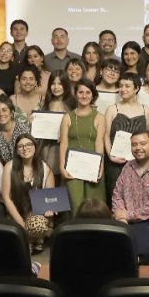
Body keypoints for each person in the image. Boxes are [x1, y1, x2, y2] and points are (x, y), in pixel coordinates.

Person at [2, 133, 56, 253]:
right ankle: (27, 239)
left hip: (36, 214)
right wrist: (22, 224)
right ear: (16, 150)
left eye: (28, 144)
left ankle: (35, 238)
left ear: (35, 147)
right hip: (15, 213)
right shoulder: (9, 167)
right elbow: (6, 198)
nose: (25, 148)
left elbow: (50, 198)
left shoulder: (45, 168)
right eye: (20, 146)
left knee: (39, 224)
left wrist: (49, 208)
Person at [59, 79, 107, 212]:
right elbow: (63, 144)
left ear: (93, 95)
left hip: (93, 167)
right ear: (75, 94)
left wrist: (100, 168)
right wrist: (62, 168)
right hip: (72, 168)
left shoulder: (100, 118)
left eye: (88, 92)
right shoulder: (67, 117)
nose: (84, 96)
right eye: (81, 92)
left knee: (95, 206)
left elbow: (99, 144)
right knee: (76, 203)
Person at [104, 72, 149, 203]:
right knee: (115, 198)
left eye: (127, 86)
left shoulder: (145, 110)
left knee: (137, 199)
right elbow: (106, 136)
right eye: (120, 86)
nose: (123, 89)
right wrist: (110, 156)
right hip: (115, 163)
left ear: (136, 88)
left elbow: (147, 138)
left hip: (138, 163)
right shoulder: (112, 109)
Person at [41, 71, 76, 177]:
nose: (56, 87)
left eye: (60, 84)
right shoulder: (46, 102)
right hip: (46, 147)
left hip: (65, 147)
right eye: (53, 83)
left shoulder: (73, 104)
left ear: (66, 85)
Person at [0, 95, 31, 164]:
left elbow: (28, 157)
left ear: (11, 113)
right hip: (1, 172)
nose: (1, 114)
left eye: (4, 110)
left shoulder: (24, 130)